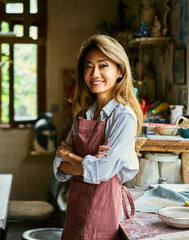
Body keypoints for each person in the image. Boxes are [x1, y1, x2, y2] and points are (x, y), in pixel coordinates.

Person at [53, 34, 143, 240]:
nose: (94, 74)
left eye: (103, 65)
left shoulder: (123, 117)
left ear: (120, 71)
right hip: (76, 207)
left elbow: (101, 171)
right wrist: (89, 160)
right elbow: (59, 166)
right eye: (88, 66)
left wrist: (73, 157)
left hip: (102, 210)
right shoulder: (84, 114)